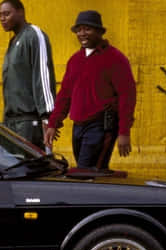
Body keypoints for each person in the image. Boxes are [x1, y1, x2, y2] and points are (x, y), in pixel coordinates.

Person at [45, 10, 136, 170]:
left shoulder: (115, 58)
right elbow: (65, 94)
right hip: (78, 126)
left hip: (101, 126)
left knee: (87, 171)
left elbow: (126, 96)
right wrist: (53, 123)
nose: (82, 34)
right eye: (79, 30)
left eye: (87, 29)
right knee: (88, 173)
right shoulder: (74, 60)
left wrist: (124, 132)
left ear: (100, 32)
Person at [0, 0, 56, 149]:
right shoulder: (13, 41)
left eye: (7, 14)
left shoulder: (34, 35)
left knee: (31, 169)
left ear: (21, 13)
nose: (2, 19)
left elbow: (43, 75)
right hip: (12, 122)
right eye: (0, 15)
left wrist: (47, 117)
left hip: (30, 123)